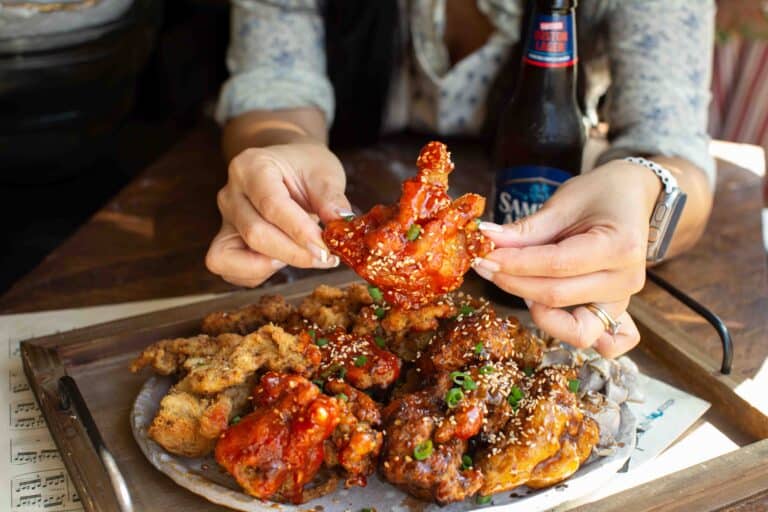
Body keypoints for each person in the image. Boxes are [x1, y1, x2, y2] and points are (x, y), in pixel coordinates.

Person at [205, 0, 716, 360]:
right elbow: (272, 86)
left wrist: (645, 189)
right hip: (342, 207)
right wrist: (280, 145)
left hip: (550, 249)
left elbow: (675, 147)